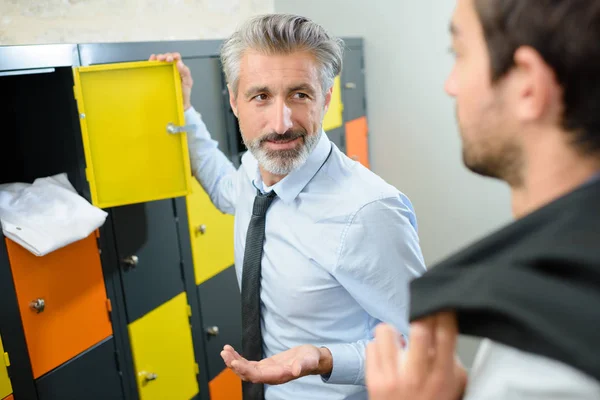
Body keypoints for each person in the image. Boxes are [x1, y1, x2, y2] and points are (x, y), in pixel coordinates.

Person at [151, 13, 426, 400]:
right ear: (234, 101)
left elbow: (425, 347)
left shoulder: (368, 212)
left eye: (300, 94)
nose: (280, 123)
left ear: (326, 98)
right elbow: (224, 187)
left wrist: (325, 359)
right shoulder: (254, 169)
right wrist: (184, 112)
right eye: (261, 96)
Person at [365, 0, 600, 399]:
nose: (450, 84)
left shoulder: (549, 368)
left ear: (528, 84)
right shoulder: (557, 279)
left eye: (459, 54)